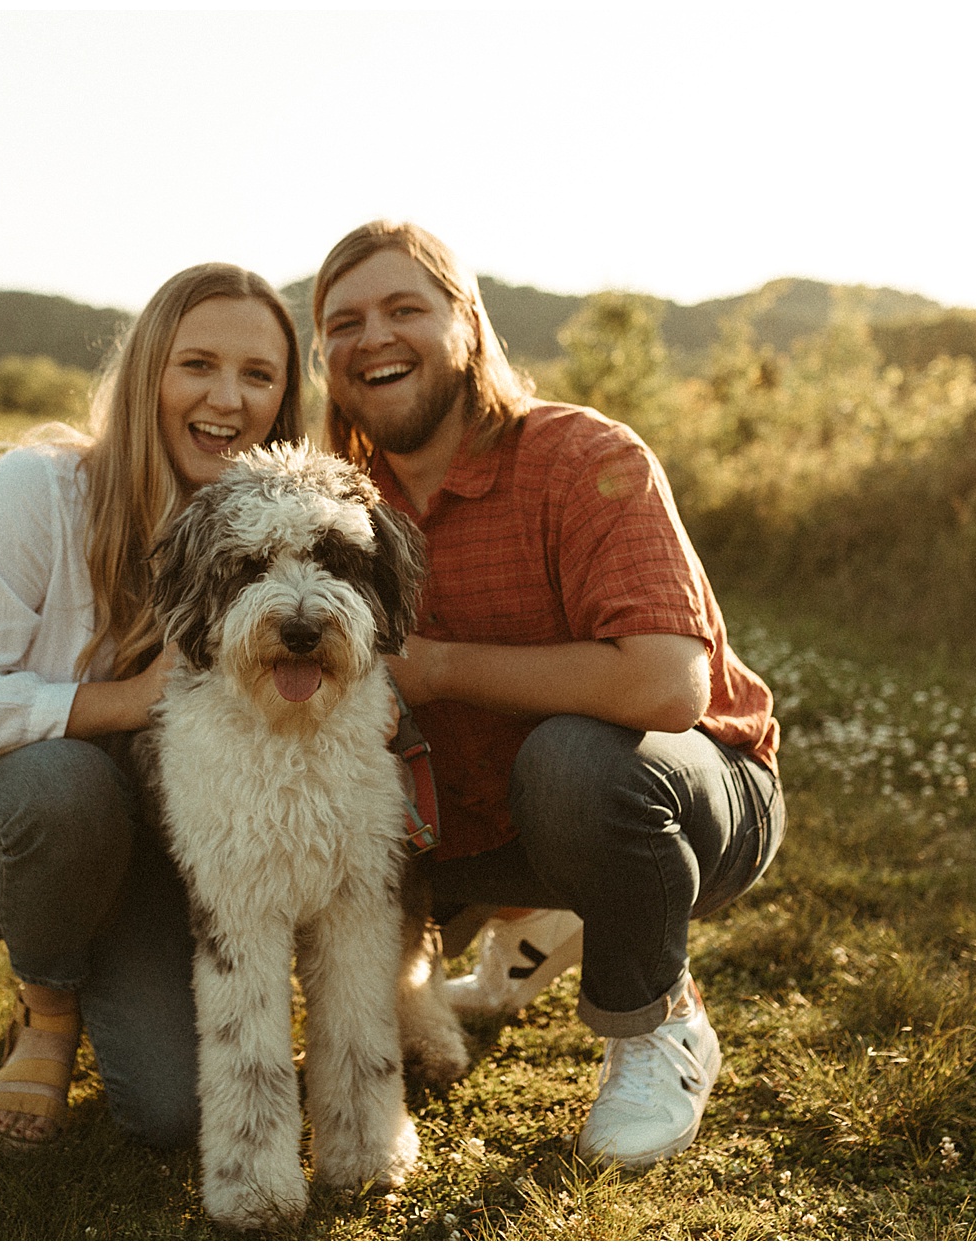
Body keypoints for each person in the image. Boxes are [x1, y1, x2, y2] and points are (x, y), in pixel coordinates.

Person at [312, 221, 784, 1170]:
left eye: (406, 307)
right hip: (472, 818)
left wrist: (440, 666)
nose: (375, 336)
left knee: (570, 759)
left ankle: (659, 1027)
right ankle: (542, 922)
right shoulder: (339, 503)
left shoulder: (578, 457)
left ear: (470, 324)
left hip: (683, 790)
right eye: (345, 320)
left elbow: (666, 682)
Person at [0, 263, 304, 1151]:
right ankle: (47, 1004)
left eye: (258, 375)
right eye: (198, 365)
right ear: (147, 373)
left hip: (139, 846)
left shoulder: (273, 533)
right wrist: (126, 701)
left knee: (177, 1116)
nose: (228, 397)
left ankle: (103, 965)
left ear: (285, 401)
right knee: (69, 785)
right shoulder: (37, 492)